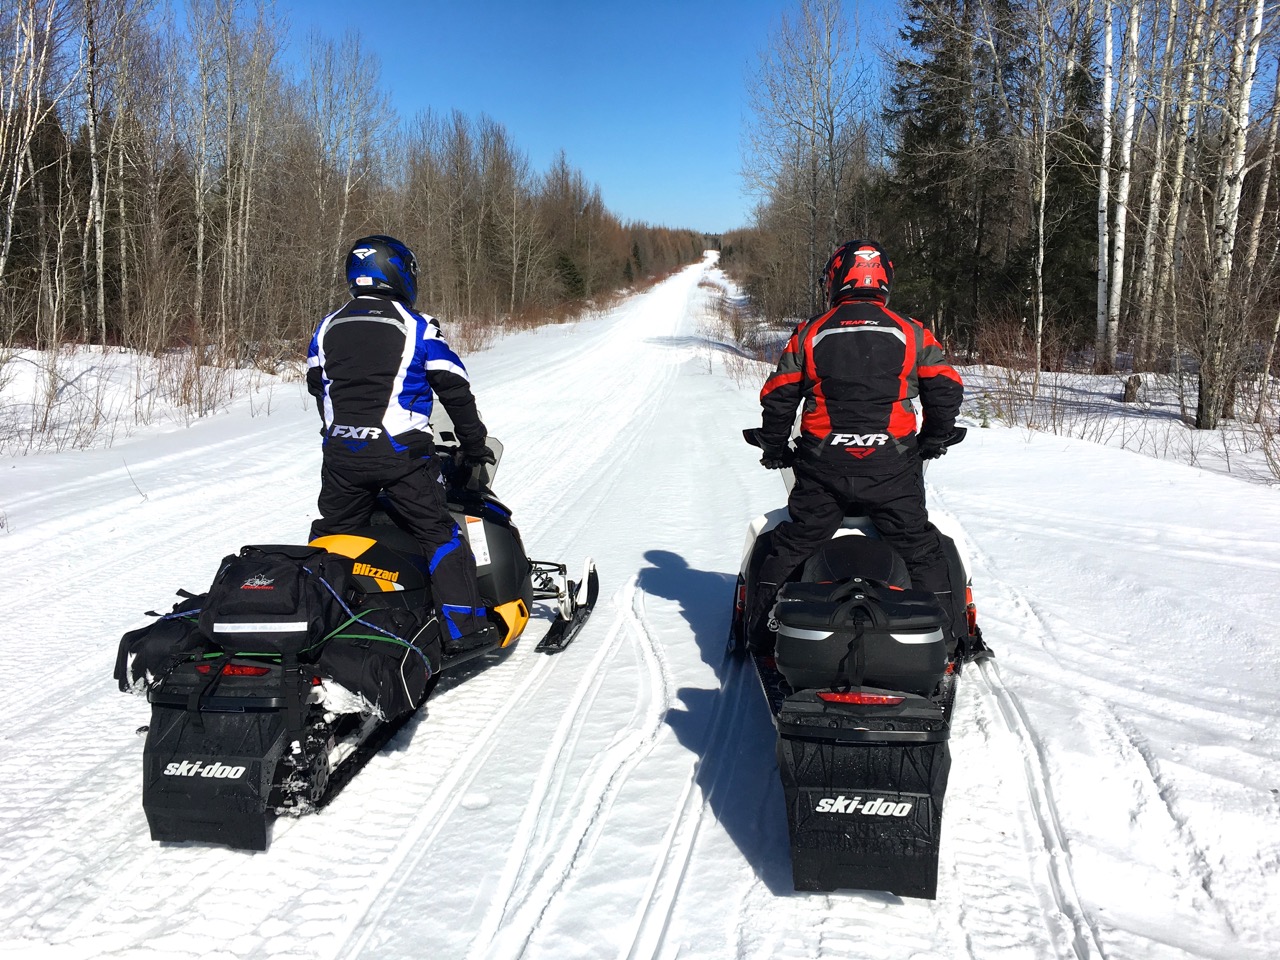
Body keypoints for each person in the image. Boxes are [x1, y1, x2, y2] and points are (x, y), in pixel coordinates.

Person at [747, 239, 964, 651]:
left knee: (791, 545)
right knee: (922, 550)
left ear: (835, 278)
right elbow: (947, 387)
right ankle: (951, 645)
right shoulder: (911, 331)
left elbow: (779, 396)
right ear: (884, 280)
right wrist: (934, 438)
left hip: (822, 467)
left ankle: (760, 638)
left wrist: (774, 447)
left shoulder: (810, 332)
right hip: (892, 468)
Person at [306, 235, 497, 654]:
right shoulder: (418, 326)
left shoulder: (327, 326)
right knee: (440, 536)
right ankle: (465, 632)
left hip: (341, 457)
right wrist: (475, 443)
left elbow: (318, 388)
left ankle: (316, 621)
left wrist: (343, 432)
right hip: (400, 457)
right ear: (399, 272)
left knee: (333, 537)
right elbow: (455, 390)